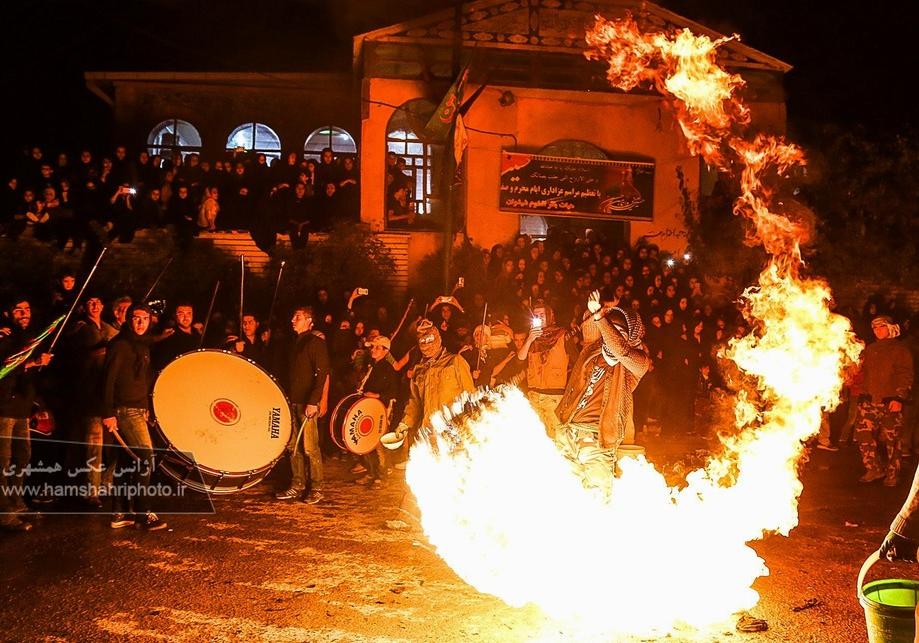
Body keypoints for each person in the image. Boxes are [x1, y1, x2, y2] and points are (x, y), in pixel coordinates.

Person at [554, 290, 650, 493]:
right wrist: (596, 313)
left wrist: (600, 316)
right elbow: (590, 328)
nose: (610, 336)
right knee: (564, 494)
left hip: (597, 441)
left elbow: (620, 350)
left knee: (596, 497)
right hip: (568, 433)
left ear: (630, 336)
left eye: (618, 332)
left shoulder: (637, 363)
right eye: (609, 330)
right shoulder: (593, 348)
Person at [101, 303, 167, 531]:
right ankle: (143, 513)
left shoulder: (142, 345)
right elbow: (107, 380)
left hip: (138, 409)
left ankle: (120, 513)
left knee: (126, 463)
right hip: (124, 410)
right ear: (128, 320)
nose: (140, 323)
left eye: (145, 319)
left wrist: (146, 406)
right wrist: (108, 413)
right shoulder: (119, 345)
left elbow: (142, 380)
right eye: (136, 318)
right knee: (146, 459)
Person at [0, 298, 53, 532]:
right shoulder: (4, 337)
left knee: (22, 458)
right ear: (7, 313)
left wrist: (38, 403)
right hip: (3, 408)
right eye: (18, 309)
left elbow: (31, 376)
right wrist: (32, 363)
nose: (24, 314)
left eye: (27, 309)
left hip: (22, 408)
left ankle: (17, 503)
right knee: (2, 461)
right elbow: (6, 367)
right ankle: (5, 514)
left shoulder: (29, 338)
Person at [386, 320, 475, 452]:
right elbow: (415, 402)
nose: (427, 343)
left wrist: (472, 426)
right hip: (429, 433)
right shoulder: (419, 370)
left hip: (454, 431)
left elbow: (471, 395)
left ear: (438, 338)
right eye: (423, 340)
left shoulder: (455, 361)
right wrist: (404, 424)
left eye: (430, 338)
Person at [276, 307, 330, 504]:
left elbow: (322, 373)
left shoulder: (316, 343)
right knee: (293, 446)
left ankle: (317, 487)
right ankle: (297, 484)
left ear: (309, 320)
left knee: (310, 447)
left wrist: (314, 401)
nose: (292, 319)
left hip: (307, 404)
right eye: (293, 316)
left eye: (297, 317)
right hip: (292, 402)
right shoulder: (295, 344)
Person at [856, 315, 914, 486]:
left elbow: (905, 375)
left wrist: (899, 398)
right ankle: (873, 468)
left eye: (881, 327)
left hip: (890, 401)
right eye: (874, 328)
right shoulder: (870, 349)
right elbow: (864, 374)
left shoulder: (900, 350)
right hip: (869, 401)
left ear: (890, 328)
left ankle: (892, 473)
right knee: (864, 436)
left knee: (892, 440)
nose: (877, 330)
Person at [515, 300, 579, 439]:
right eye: (536, 315)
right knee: (536, 437)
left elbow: (577, 361)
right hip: (534, 395)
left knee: (558, 438)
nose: (540, 318)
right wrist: (530, 340)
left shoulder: (562, 335)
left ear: (549, 316)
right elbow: (519, 360)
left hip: (554, 397)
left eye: (542, 314)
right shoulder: (531, 338)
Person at [354, 335, 399, 488]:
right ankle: (372, 472)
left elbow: (393, 392)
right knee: (367, 442)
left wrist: (377, 395)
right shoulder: (372, 367)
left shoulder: (388, 368)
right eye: (372, 347)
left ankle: (382, 476)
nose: (373, 350)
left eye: (378, 347)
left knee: (379, 444)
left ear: (386, 351)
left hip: (381, 409)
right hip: (369, 408)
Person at [152, 302, 202, 372]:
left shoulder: (198, 333)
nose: (186, 317)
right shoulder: (170, 335)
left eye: (189, 313)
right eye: (181, 314)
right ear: (175, 316)